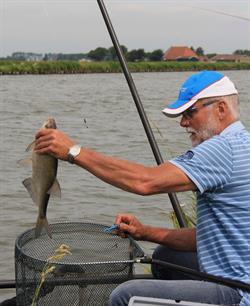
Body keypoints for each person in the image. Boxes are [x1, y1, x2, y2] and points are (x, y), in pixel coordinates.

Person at [34, 71, 250, 306]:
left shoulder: (222, 149)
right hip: (239, 274)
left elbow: (144, 181)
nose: (183, 122)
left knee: (126, 296)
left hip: (238, 291)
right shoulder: (242, 143)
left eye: (190, 112)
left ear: (221, 109)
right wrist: (144, 232)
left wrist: (74, 151)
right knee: (166, 257)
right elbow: (209, 237)